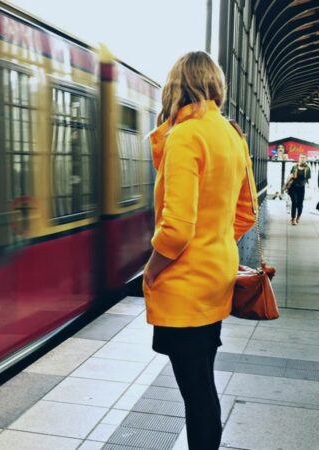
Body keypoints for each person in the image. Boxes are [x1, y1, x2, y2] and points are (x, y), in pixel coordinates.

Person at [143, 51, 257, 450]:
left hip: (185, 285)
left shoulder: (186, 137)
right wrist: (216, 241)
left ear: (176, 86)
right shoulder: (231, 134)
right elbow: (247, 212)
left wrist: (152, 270)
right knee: (201, 384)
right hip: (215, 279)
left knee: (197, 392)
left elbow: (175, 230)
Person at [285, 154, 310, 225]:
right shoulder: (294, 167)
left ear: (306, 159)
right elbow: (290, 176)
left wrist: (308, 184)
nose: (302, 159)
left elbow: (307, 178)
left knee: (300, 204)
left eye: (304, 158)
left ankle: (298, 217)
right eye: (301, 157)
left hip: (301, 188)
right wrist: (286, 185)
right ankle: (293, 219)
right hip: (293, 187)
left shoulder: (307, 168)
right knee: (294, 202)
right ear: (299, 159)